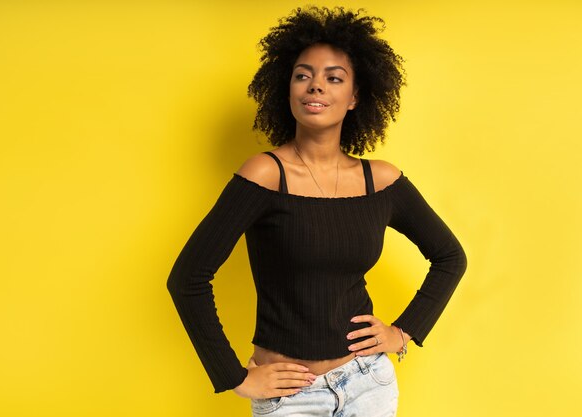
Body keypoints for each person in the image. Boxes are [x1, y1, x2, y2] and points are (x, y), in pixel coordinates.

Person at [167, 6, 467, 416]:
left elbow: (450, 257)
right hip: (291, 395)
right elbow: (188, 279)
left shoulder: (380, 181)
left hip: (368, 384)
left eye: (333, 78)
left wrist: (403, 332)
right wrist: (234, 377)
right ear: (286, 89)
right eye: (303, 75)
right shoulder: (265, 175)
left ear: (355, 96)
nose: (315, 87)